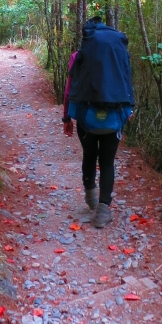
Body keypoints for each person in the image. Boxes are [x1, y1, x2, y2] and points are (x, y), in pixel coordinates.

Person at [62, 15, 134, 228]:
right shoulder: (119, 55)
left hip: (86, 116)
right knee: (107, 162)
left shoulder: (78, 56)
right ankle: (103, 211)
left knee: (89, 155)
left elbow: (69, 89)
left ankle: (91, 198)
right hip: (113, 116)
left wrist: (67, 117)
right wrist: (128, 108)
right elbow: (127, 81)